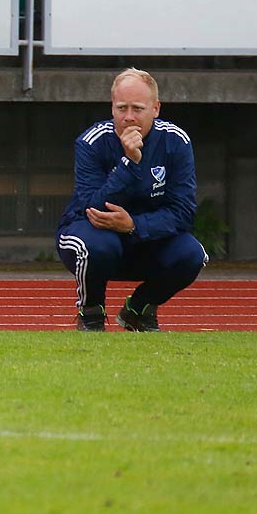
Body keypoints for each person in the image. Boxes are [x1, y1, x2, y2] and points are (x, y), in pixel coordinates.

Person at [56, 68, 205, 333]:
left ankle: (139, 310)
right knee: (97, 246)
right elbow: (91, 207)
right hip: (93, 234)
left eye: (137, 108)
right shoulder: (92, 142)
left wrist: (134, 225)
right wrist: (129, 163)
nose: (128, 117)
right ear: (112, 107)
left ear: (155, 109)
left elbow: (183, 213)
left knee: (193, 254)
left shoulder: (176, 142)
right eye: (121, 107)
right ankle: (91, 313)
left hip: (146, 237)